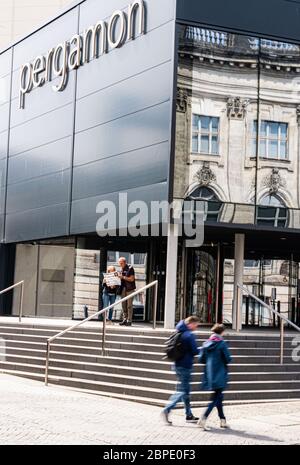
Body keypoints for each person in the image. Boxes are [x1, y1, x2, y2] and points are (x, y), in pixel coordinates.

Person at [161, 316, 200, 425]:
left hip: (177, 364)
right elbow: (195, 351)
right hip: (185, 366)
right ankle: (167, 409)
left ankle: (189, 415)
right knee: (182, 391)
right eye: (196, 325)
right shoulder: (189, 335)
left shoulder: (179, 331)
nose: (196, 327)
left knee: (185, 391)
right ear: (191, 324)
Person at [197, 323, 232, 430]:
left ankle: (222, 420)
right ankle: (203, 418)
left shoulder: (206, 343)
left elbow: (201, 359)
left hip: (210, 374)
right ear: (222, 332)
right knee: (215, 398)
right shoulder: (222, 344)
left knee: (218, 397)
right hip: (220, 374)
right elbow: (228, 358)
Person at [118, 257, 136, 327]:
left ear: (125, 262)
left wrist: (123, 277)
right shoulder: (121, 269)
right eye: (119, 263)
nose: (120, 264)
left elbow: (132, 279)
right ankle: (125, 319)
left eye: (121, 263)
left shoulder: (130, 268)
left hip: (130, 289)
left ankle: (129, 320)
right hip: (123, 289)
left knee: (129, 305)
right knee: (123, 305)